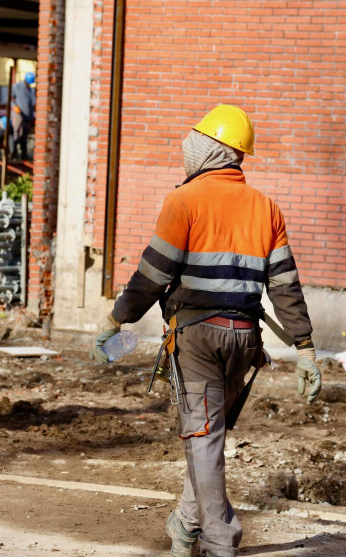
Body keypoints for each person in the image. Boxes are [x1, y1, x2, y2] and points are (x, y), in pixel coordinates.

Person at [90, 104, 322, 557]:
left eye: (195, 139)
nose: (187, 146)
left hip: (195, 340)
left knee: (203, 438)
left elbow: (152, 276)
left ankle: (220, 542)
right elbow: (285, 286)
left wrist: (115, 320)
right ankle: (186, 522)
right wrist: (305, 347)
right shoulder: (266, 208)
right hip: (244, 342)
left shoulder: (184, 201)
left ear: (212, 150)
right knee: (208, 436)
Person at [10, 72, 36, 160]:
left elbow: (32, 103)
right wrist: (14, 106)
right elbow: (10, 98)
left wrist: (32, 117)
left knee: (24, 136)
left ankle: (23, 156)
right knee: (17, 134)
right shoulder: (17, 87)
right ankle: (13, 154)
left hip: (28, 116)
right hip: (19, 115)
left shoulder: (31, 90)